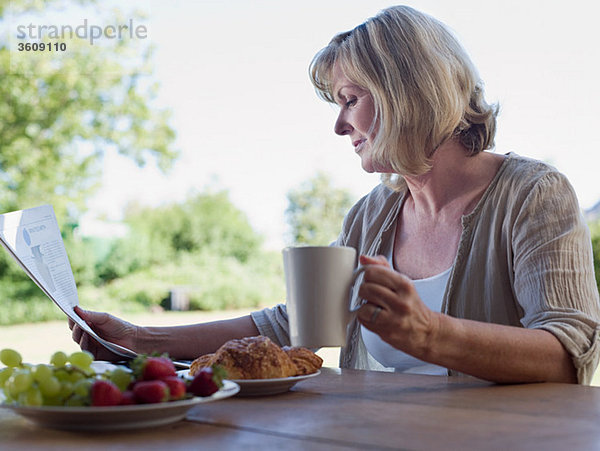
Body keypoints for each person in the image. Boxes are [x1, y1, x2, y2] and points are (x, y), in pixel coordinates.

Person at [70, 5, 600, 384]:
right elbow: (296, 325)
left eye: (350, 99)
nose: (340, 126)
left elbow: (567, 353)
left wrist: (430, 333)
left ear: (408, 94)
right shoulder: (372, 214)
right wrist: (138, 340)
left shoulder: (533, 194)